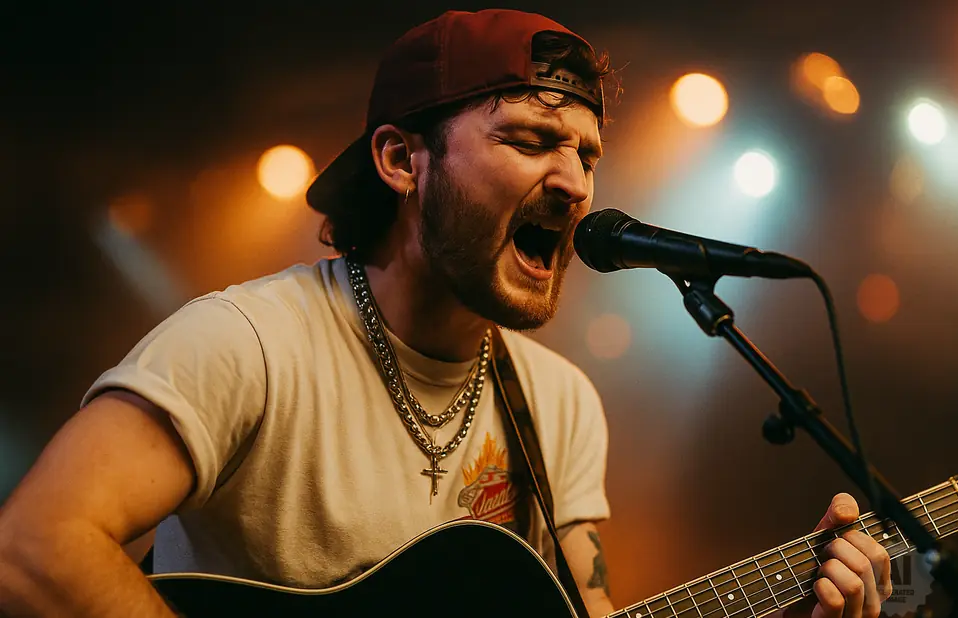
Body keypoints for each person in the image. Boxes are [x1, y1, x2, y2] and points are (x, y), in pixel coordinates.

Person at [0, 8, 891, 618]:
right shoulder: (249, 344)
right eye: (531, 139)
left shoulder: (559, 401)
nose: (577, 184)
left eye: (587, 154)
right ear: (400, 159)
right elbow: (34, 547)